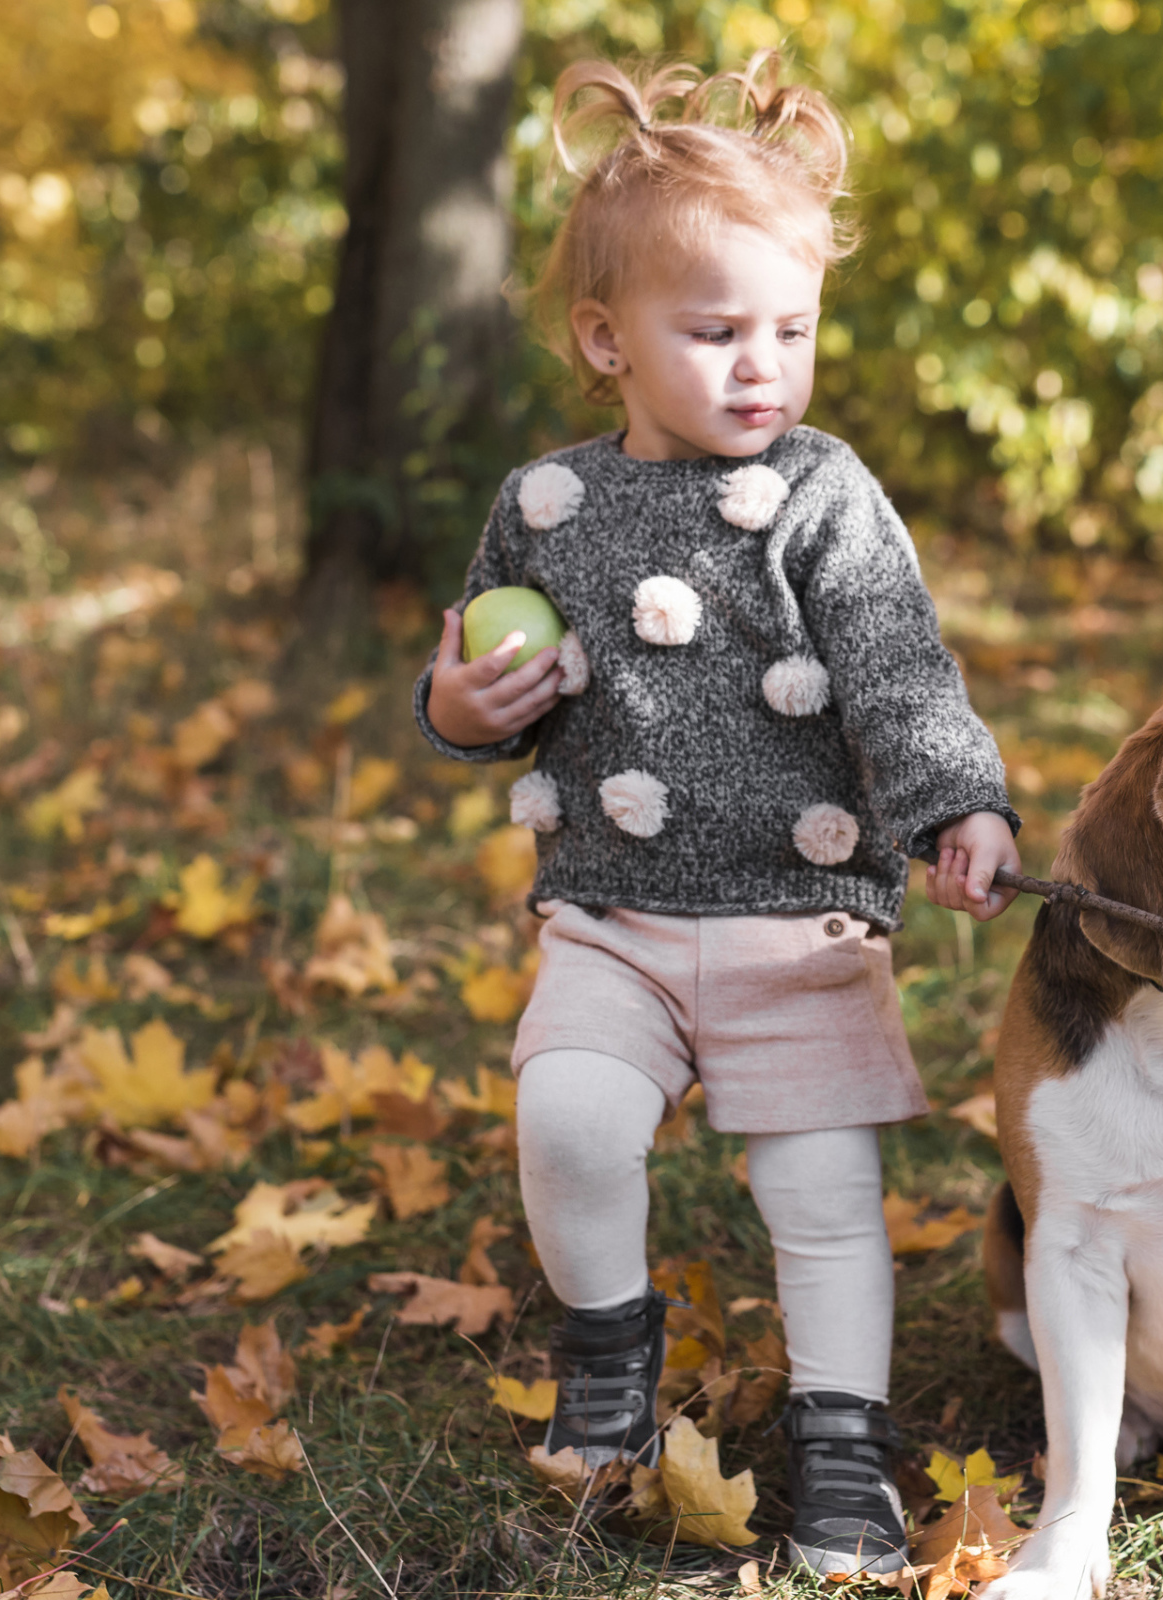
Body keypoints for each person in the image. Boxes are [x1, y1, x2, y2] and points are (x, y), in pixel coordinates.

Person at [412, 52, 1021, 1578]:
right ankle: (612, 1356)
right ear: (606, 340)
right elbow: (493, 684)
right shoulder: (544, 504)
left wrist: (958, 801)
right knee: (566, 1119)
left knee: (822, 1199)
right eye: (716, 331)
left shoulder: (822, 492)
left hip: (798, 922)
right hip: (608, 917)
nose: (764, 365)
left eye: (792, 329)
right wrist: (461, 714)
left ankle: (839, 1449)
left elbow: (897, 669)